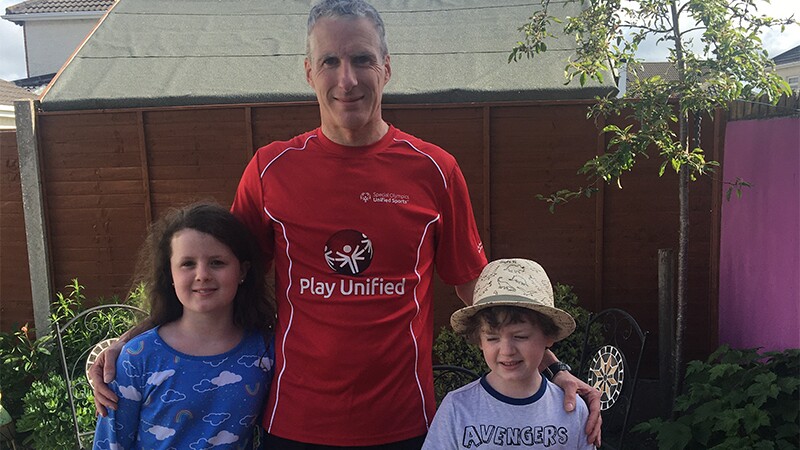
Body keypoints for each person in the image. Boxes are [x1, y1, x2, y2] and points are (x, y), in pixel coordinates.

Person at [90, 1, 602, 448]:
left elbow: (480, 287)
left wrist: (554, 369)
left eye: (361, 59)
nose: (347, 78)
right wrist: (135, 343)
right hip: (294, 420)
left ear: (386, 68)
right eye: (331, 61)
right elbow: (217, 279)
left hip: (406, 421)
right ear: (308, 71)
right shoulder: (271, 170)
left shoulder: (434, 170)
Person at [92, 203, 276, 449]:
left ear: (242, 271)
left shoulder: (265, 351)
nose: (202, 275)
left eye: (217, 263)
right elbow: (110, 443)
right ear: (170, 273)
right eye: (188, 263)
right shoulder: (136, 359)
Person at [422, 259, 594, 449]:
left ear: (549, 336)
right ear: (479, 340)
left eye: (520, 336)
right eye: (492, 338)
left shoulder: (573, 410)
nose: (507, 350)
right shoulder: (457, 408)